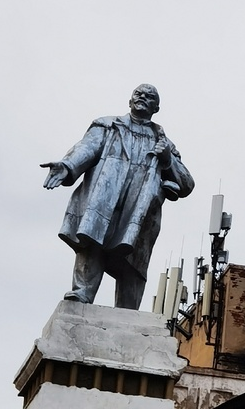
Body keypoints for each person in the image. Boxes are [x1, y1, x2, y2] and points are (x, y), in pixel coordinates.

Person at [41, 84, 194, 310]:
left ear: (157, 107)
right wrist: (67, 166)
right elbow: (87, 148)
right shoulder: (108, 125)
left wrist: (167, 159)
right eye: (138, 94)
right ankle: (82, 292)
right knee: (92, 242)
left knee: (133, 261)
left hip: (140, 208)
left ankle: (128, 309)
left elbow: (186, 184)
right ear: (130, 100)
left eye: (149, 97)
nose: (142, 98)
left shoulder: (164, 143)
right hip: (105, 198)